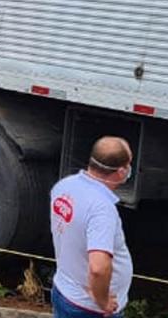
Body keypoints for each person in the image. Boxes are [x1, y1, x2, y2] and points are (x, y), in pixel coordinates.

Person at [50, 136, 134, 318]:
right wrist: (102, 301)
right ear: (121, 172)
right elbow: (98, 268)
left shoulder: (64, 186)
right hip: (89, 309)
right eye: (129, 165)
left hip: (64, 291)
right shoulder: (102, 209)